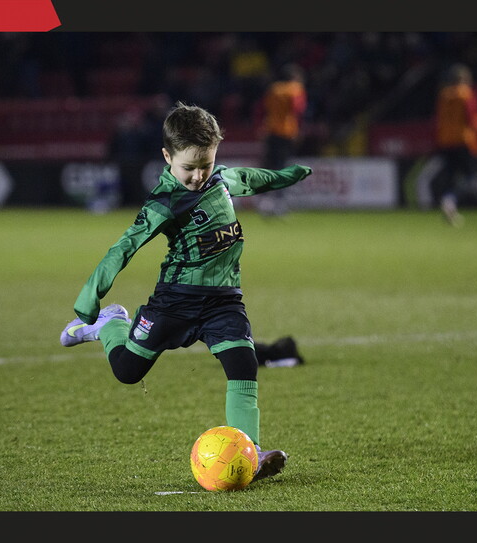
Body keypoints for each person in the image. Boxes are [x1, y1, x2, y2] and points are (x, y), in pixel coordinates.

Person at [60, 102, 313, 482]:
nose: (197, 176)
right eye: (188, 168)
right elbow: (125, 246)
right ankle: (111, 324)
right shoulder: (164, 202)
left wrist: (286, 176)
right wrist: (90, 295)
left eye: (205, 165)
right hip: (174, 301)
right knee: (128, 372)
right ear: (167, 157)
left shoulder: (220, 180)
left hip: (224, 300)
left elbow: (252, 178)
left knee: (243, 365)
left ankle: (252, 453)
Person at [432, 63, 477, 227]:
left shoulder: (444, 95)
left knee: (450, 174)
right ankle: (450, 200)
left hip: (446, 141)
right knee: (469, 176)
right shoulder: (466, 94)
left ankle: (449, 205)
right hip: (463, 140)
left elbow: (439, 119)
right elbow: (473, 118)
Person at [256, 63, 308, 217]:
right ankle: (279, 203)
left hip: (271, 130)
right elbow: (298, 110)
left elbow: (263, 109)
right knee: (283, 166)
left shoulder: (274, 89)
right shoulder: (296, 89)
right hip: (287, 132)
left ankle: (265, 201)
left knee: (269, 165)